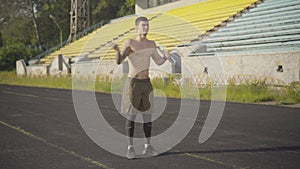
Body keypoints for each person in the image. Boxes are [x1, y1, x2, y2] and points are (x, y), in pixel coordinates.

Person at [112, 16, 171, 159]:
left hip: (146, 82)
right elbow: (120, 61)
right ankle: (130, 148)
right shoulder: (130, 43)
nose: (146, 28)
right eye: (143, 25)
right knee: (131, 116)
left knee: (147, 116)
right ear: (136, 27)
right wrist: (117, 51)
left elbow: (158, 61)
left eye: (147, 25)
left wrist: (166, 57)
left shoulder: (151, 44)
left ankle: (147, 147)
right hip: (133, 83)